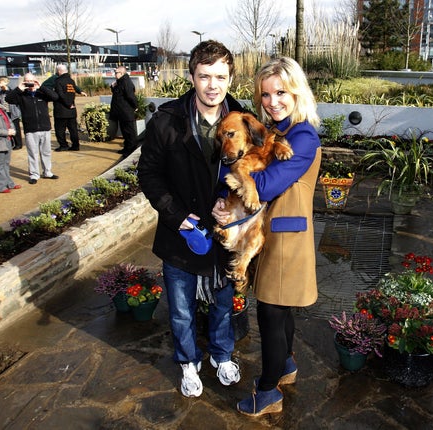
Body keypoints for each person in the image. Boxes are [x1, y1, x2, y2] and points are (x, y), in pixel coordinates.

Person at [137, 40, 243, 398]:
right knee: (181, 309)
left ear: (230, 78)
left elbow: (252, 171)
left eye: (220, 76)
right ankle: (188, 361)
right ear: (192, 76)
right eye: (205, 76)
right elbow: (148, 174)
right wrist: (177, 216)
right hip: (180, 233)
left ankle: (222, 354)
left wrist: (233, 205)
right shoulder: (167, 120)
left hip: (225, 233)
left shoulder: (241, 119)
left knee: (224, 304)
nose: (213, 85)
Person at [216, 57, 322, 416]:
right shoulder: (280, 134)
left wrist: (232, 180)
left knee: (271, 316)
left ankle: (267, 392)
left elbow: (267, 183)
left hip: (287, 240)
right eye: (265, 94)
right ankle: (287, 368)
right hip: (272, 234)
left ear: (296, 92)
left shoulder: (303, 135)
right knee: (281, 312)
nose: (273, 101)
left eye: (281, 92)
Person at [5, 73, 59, 185]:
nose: (30, 83)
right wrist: (19, 88)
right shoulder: (21, 95)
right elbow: (8, 99)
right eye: (27, 81)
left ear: (36, 81)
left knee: (46, 152)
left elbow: (55, 97)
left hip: (45, 127)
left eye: (32, 80)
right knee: (33, 153)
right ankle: (34, 174)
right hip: (30, 129)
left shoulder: (42, 93)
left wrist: (41, 87)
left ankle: (47, 172)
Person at [53, 64, 87, 151]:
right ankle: (75, 146)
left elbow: (61, 95)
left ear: (59, 71)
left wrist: (68, 104)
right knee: (73, 130)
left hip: (62, 110)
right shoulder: (71, 80)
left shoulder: (58, 81)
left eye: (57, 71)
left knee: (60, 130)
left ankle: (63, 145)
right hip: (71, 110)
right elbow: (75, 88)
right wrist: (81, 91)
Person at [110, 66, 138, 157]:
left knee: (129, 132)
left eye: (116, 72)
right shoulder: (120, 82)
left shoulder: (126, 82)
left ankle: (131, 150)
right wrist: (113, 87)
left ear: (122, 73)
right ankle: (126, 148)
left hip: (126, 112)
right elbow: (118, 94)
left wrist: (135, 106)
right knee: (125, 132)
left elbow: (130, 96)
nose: (115, 74)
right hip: (121, 112)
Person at [0, 77, 23, 150]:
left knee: (16, 129)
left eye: (2, 82)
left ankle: (18, 144)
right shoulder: (0, 92)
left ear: (6, 83)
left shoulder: (11, 91)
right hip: (5, 112)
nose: (0, 84)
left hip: (13, 113)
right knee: (8, 128)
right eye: (0, 82)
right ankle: (12, 143)